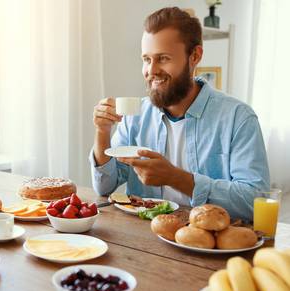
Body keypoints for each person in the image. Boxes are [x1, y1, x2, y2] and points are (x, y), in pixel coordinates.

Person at [90, 7, 269, 221]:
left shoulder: (238, 118)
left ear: (195, 56)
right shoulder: (135, 117)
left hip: (208, 245)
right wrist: (102, 132)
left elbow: (255, 203)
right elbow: (104, 187)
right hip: (143, 240)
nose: (151, 70)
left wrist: (176, 178)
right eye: (146, 59)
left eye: (163, 58)